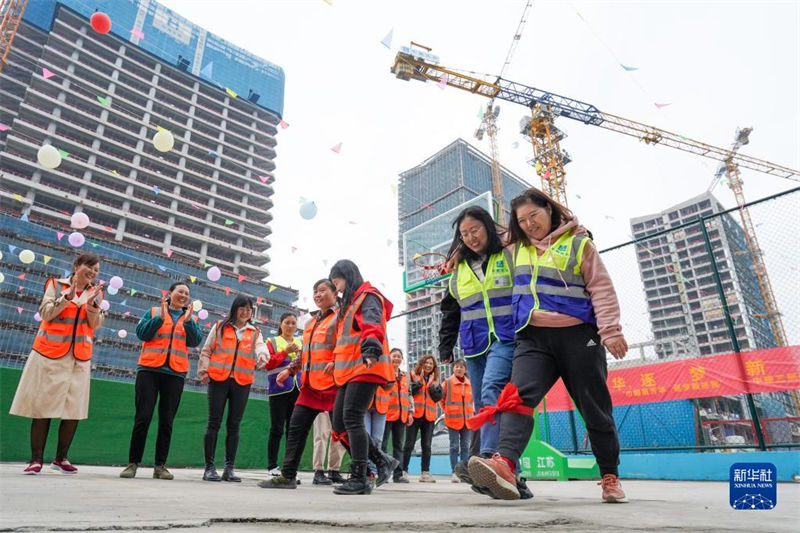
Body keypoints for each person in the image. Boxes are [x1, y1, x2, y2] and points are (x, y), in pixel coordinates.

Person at [466, 188, 629, 503]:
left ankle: (610, 475)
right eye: (522, 220)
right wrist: (462, 248)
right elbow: (482, 239)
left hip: (578, 335)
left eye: (534, 216)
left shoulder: (579, 244)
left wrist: (610, 331)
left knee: (594, 407)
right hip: (532, 336)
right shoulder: (516, 249)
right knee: (516, 397)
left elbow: (601, 288)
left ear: (550, 210)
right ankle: (505, 464)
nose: (528, 224)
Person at [438, 206, 515, 482]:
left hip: (506, 337)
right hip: (474, 344)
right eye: (464, 234)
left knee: (492, 387)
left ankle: (488, 456)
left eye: (475, 230)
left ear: (488, 226)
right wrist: (445, 346)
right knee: (481, 400)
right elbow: (451, 310)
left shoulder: (507, 254)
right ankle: (489, 460)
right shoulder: (458, 271)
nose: (470, 237)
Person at [10, 253, 104, 475]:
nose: (92, 272)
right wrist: (67, 298)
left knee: (74, 409)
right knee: (43, 406)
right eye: (89, 267)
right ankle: (36, 459)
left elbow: (96, 324)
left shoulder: (95, 292)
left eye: (96, 270)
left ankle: (61, 458)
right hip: (50, 354)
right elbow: (45, 313)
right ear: (76, 266)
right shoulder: (55, 284)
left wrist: (93, 307)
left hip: (79, 357)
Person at [257, 279, 343, 489]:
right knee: (295, 428)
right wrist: (289, 369)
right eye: (315, 291)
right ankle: (287, 475)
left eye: (322, 290)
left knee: (344, 430)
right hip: (310, 387)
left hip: (333, 385)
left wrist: (335, 359)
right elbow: (307, 353)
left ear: (334, 293)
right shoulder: (312, 322)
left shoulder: (342, 316)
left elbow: (346, 343)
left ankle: (371, 467)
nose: (318, 295)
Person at [328, 259, 399, 495]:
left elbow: (373, 324)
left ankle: (360, 476)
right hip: (348, 370)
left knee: (352, 417)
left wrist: (370, 350)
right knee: (339, 424)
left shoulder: (367, 296)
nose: (335, 287)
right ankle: (381, 460)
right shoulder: (348, 303)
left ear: (346, 276)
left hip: (366, 366)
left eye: (336, 281)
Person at [120, 280, 203, 480]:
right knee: (143, 417)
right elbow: (142, 334)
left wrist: (189, 322)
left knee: (167, 421)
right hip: (149, 370)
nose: (183, 295)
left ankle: (160, 465)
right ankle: (133, 463)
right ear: (170, 293)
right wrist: (161, 318)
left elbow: (194, 341)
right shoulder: (154, 311)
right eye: (180, 292)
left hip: (175, 374)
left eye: (186, 293)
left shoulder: (190, 318)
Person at [197, 295, 269, 482]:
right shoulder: (220, 326)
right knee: (214, 423)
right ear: (235, 309)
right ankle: (209, 467)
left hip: (241, 382)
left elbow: (261, 347)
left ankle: (229, 468)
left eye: (249, 309)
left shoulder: (255, 331)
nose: (245, 312)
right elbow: (207, 350)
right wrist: (204, 372)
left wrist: (263, 356)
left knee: (234, 425)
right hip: (218, 380)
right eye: (242, 308)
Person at [263, 312, 302, 475]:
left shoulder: (301, 342)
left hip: (298, 390)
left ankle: (289, 468)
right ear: (280, 324)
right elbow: (268, 363)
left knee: (293, 431)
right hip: (278, 390)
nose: (290, 326)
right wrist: (285, 352)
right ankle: (272, 466)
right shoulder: (271, 341)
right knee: (277, 428)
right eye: (287, 322)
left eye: (293, 323)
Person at [401, 353, 442, 483]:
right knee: (409, 444)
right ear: (422, 363)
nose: (429, 365)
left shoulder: (435, 379)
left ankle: (425, 473)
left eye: (431, 363)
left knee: (427, 445)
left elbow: (438, 398)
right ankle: (403, 471)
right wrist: (420, 383)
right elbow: (408, 391)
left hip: (429, 416)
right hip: (414, 414)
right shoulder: (412, 375)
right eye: (427, 363)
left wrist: (430, 386)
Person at [381, 348, 415, 483]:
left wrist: (410, 413)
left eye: (399, 357)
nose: (396, 359)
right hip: (386, 414)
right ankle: (382, 472)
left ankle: (398, 474)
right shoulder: (385, 373)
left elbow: (409, 394)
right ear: (389, 357)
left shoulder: (405, 376)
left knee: (399, 446)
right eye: (394, 356)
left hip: (402, 415)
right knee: (382, 445)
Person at [441, 359, 474, 483]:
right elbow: (441, 399)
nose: (459, 369)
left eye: (461, 367)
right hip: (453, 420)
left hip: (467, 420)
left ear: (465, 369)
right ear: (453, 368)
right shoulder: (448, 382)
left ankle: (464, 473)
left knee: (466, 447)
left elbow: (472, 401)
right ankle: (454, 472)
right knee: (454, 446)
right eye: (456, 367)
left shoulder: (470, 383)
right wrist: (448, 410)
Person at [311, 412, 346, 485]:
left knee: (339, 436)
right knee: (321, 435)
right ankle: (318, 471)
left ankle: (334, 471)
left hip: (339, 403)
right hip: (323, 403)